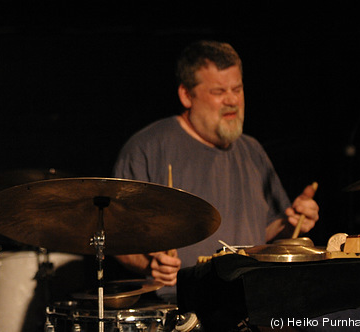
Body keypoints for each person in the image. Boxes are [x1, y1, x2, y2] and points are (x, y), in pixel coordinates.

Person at [111, 40, 318, 299]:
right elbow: (114, 238)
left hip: (249, 302)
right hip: (180, 308)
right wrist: (149, 264)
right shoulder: (148, 148)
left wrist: (293, 223)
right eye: (219, 91)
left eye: (237, 89)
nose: (232, 100)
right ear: (186, 95)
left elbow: (264, 235)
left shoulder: (252, 150)